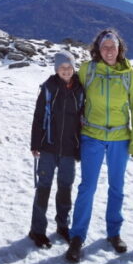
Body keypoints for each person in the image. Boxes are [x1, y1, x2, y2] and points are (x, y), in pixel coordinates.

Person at [66, 28, 133, 263]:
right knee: (87, 187)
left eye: (113, 47)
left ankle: (113, 232)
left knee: (116, 187)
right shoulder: (88, 71)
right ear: (97, 50)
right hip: (92, 136)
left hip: (120, 138)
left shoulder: (130, 74)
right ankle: (77, 236)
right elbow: (72, 98)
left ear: (120, 49)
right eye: (105, 47)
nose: (109, 51)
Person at [28, 50, 85, 248]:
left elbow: (82, 121)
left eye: (69, 67)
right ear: (56, 69)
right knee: (43, 188)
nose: (66, 71)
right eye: (62, 68)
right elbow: (38, 117)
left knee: (65, 189)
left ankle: (63, 225)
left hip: (69, 149)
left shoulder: (79, 89)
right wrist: (35, 144)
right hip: (48, 147)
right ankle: (37, 230)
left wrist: (80, 148)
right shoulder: (48, 88)